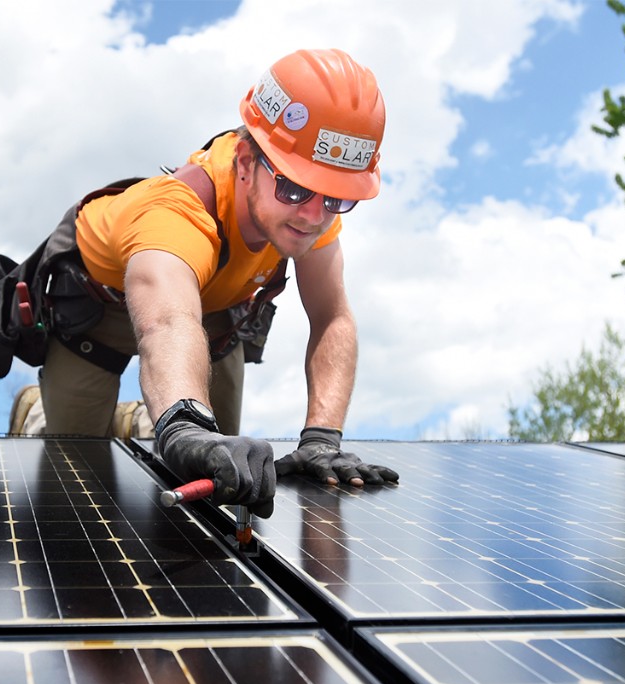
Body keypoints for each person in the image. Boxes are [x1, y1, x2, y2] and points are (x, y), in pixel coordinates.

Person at [38, 48, 399, 517]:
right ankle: (108, 416)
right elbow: (167, 320)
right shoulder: (174, 212)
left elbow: (332, 316)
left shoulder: (310, 208)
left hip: (210, 316)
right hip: (96, 315)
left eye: (336, 198)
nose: (313, 216)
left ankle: (149, 415)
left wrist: (321, 439)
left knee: (221, 474)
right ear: (246, 161)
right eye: (294, 188)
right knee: (74, 482)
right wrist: (182, 424)